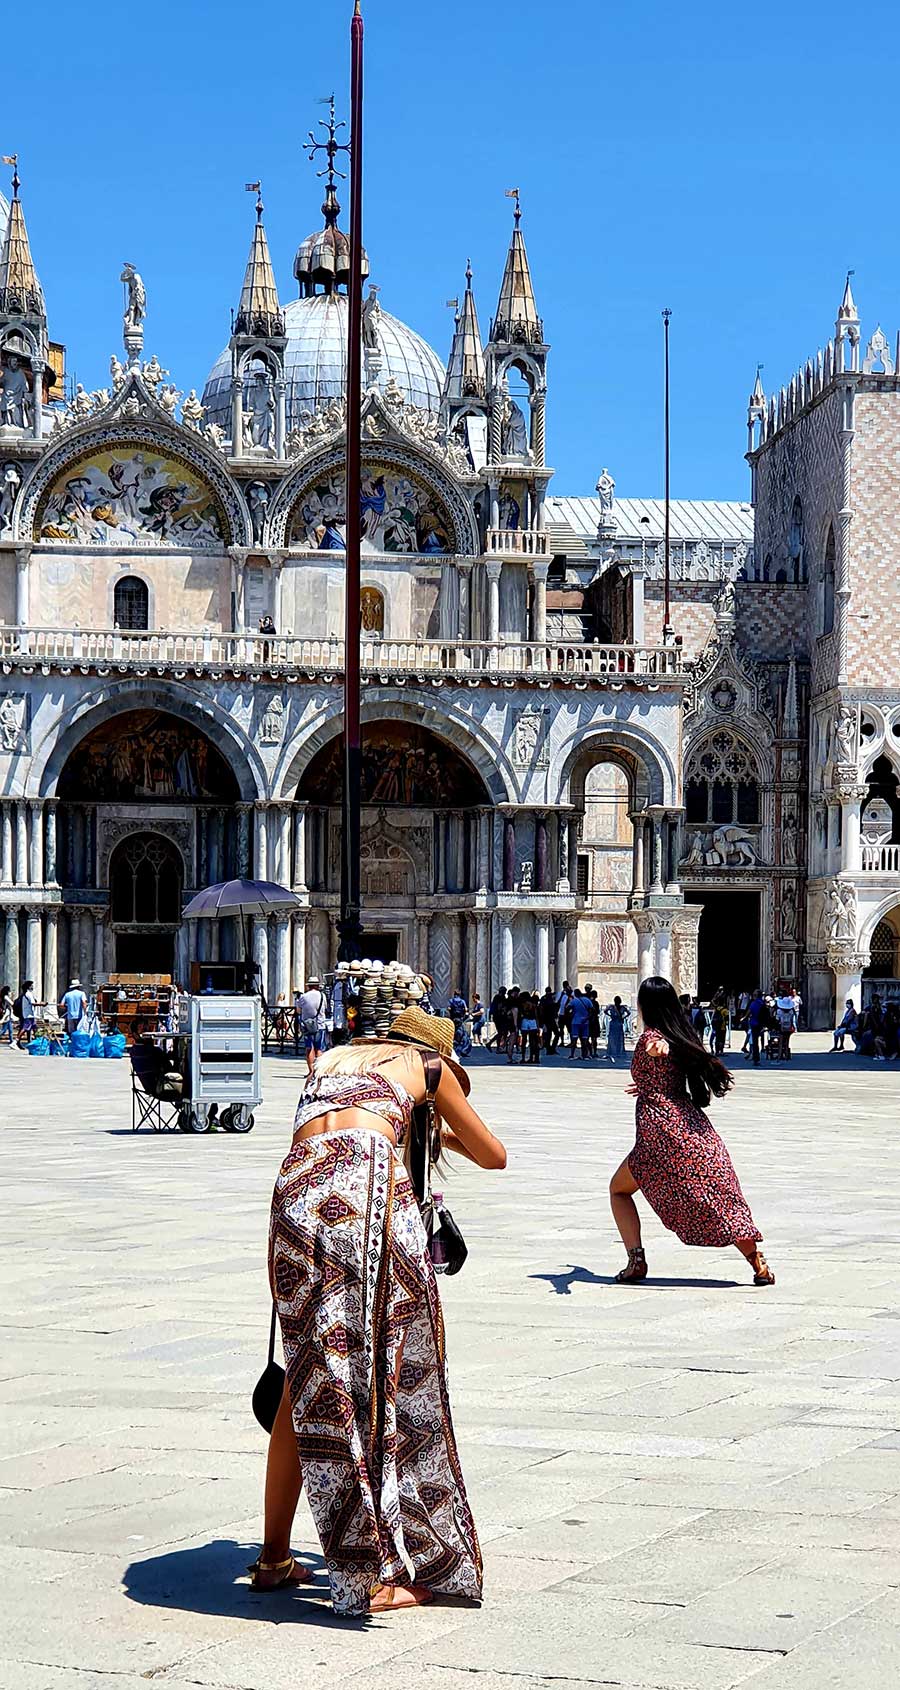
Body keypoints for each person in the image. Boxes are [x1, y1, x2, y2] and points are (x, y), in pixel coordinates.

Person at [260, 1005, 506, 1614]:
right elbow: (494, 1154)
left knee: (310, 1378)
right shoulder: (428, 1067)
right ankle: (372, 1570)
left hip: (294, 1194)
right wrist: (440, 1127)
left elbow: (340, 1124)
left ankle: (272, 1558)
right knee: (381, 1373)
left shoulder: (328, 1058)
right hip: (364, 1191)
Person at [609, 977, 775, 1286]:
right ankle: (759, 1264)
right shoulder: (683, 1033)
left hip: (660, 1133)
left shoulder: (655, 1037)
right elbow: (668, 1067)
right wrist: (646, 1084)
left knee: (618, 1191)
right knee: (718, 1197)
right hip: (692, 1128)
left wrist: (656, 1050)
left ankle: (636, 1260)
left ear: (646, 1005)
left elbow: (657, 1047)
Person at [294, 976, 328, 1075]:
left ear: (308, 986)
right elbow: (325, 1008)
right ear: (317, 986)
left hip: (307, 1026)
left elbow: (298, 1010)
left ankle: (311, 1071)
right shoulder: (322, 996)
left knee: (309, 1048)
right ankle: (319, 1071)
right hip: (320, 1025)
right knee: (319, 1049)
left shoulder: (303, 997)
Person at [60, 977, 88, 1045]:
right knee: (79, 1032)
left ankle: (72, 1045)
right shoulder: (82, 993)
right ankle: (78, 1045)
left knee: (71, 1032)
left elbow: (61, 1005)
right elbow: (84, 1003)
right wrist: (85, 1012)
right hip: (79, 1016)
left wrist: (68, 1007)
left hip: (70, 1016)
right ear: (78, 986)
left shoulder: (67, 994)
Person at [774, 988, 798, 1061]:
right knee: (787, 1042)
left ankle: (779, 1056)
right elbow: (793, 1019)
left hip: (782, 1027)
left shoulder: (779, 1011)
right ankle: (787, 1056)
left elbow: (777, 1019)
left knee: (781, 1042)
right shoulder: (791, 1011)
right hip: (789, 1027)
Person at [568, 989, 592, 1060]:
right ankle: (584, 1055)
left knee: (574, 1039)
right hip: (585, 1022)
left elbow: (567, 1008)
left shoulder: (574, 1001)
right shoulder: (587, 1000)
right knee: (584, 1040)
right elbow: (592, 1010)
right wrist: (587, 1018)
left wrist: (571, 1014)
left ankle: (572, 1054)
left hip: (575, 1022)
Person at [520, 993, 540, 1064]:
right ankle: (533, 1058)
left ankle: (523, 1058)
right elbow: (536, 1016)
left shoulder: (522, 1004)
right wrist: (538, 1026)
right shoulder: (533, 1005)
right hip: (533, 1022)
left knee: (524, 1041)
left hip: (525, 1021)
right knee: (533, 1041)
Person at [606, 995, 627, 1063]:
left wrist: (610, 1015)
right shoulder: (622, 1007)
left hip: (613, 1023)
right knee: (619, 1038)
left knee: (612, 1037)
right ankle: (618, 1051)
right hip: (619, 1023)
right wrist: (623, 1017)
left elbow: (605, 1011)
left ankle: (612, 1051)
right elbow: (628, 1013)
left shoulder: (611, 1007)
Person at [14, 979, 36, 1045]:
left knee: (34, 1028)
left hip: (29, 1015)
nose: (32, 987)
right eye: (31, 985)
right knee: (24, 1028)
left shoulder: (26, 994)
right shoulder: (28, 994)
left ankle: (36, 1041)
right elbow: (33, 1003)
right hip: (28, 1015)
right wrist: (42, 1004)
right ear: (28, 987)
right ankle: (15, 1042)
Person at [486, 987, 507, 1052]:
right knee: (501, 1032)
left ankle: (497, 1046)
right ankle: (493, 1045)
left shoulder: (497, 997)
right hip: (500, 1017)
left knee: (501, 1032)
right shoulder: (500, 998)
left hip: (497, 1017)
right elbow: (500, 1007)